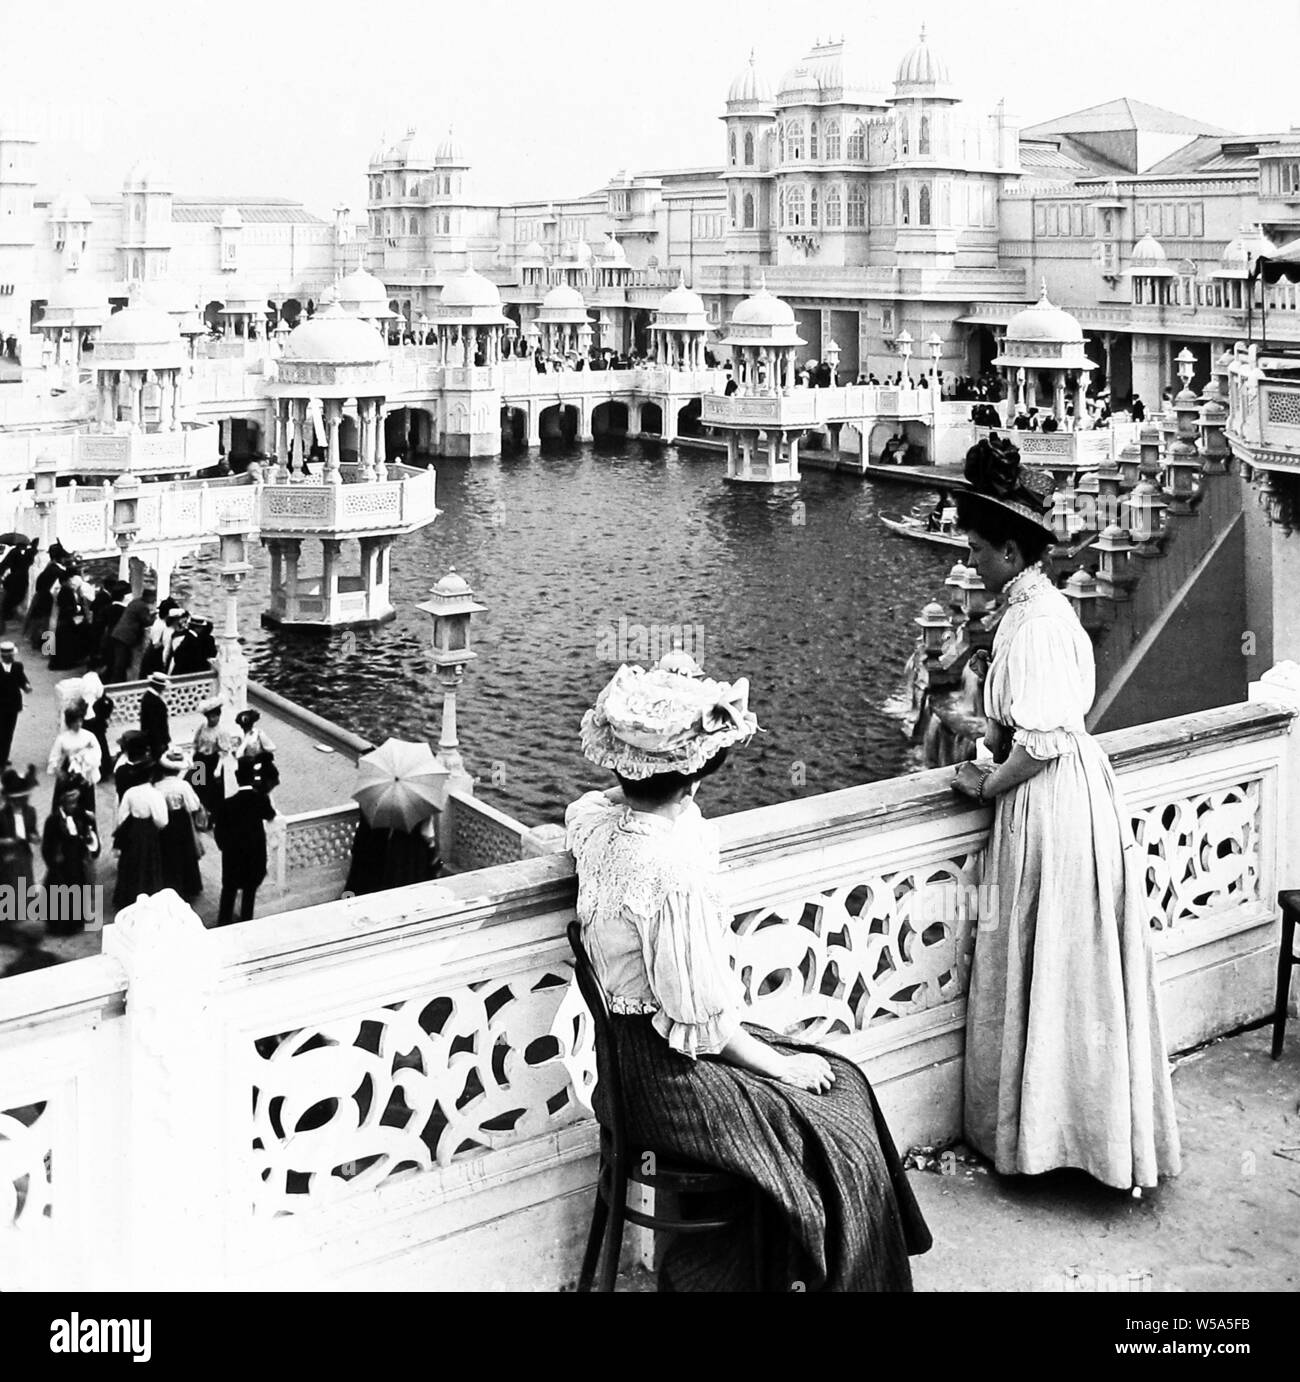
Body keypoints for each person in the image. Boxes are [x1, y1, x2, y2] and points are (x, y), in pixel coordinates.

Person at [565, 659, 931, 1291]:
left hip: (626, 1056)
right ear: (693, 773)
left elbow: (594, 804)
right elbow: (702, 1025)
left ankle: (765, 1271)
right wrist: (782, 1067)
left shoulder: (597, 825)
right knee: (835, 1111)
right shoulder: (668, 870)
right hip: (663, 1074)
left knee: (838, 1086)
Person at [950, 435, 1181, 1191]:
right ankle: (1048, 1130)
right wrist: (981, 734)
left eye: (981, 549)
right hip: (1048, 796)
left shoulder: (1041, 621)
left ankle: (1072, 1137)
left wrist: (989, 785)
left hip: (1051, 801)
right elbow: (1020, 719)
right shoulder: (1026, 611)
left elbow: (1044, 739)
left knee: (1060, 962)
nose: (971, 562)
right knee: (1050, 961)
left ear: (1014, 553)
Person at [214, 757, 277, 925]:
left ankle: (223, 922)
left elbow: (218, 832)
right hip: (254, 855)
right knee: (250, 892)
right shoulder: (261, 799)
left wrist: (224, 848)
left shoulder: (226, 804)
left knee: (228, 890)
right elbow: (271, 815)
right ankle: (246, 921)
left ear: (236, 776)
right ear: (253, 777)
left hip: (232, 855)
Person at [42, 776, 99, 935]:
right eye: (69, 802)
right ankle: (58, 925)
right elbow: (47, 845)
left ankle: (75, 922)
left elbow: (90, 836)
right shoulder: (53, 821)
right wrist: (53, 859)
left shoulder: (82, 817)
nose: (73, 806)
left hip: (76, 860)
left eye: (75, 802)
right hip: (61, 864)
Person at [113, 770, 167, 912]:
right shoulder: (155, 794)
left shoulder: (130, 792)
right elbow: (162, 820)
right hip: (148, 830)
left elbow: (122, 815)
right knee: (149, 862)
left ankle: (127, 896)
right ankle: (148, 895)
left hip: (132, 828)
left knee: (130, 862)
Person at [155, 749, 204, 901]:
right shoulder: (183, 785)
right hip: (181, 821)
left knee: (167, 854)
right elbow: (194, 805)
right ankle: (189, 886)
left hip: (165, 822)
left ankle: (169, 886)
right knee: (185, 853)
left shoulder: (157, 786)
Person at [47, 703, 101, 817]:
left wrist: (89, 764)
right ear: (69, 722)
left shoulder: (89, 736)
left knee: (86, 804)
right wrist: (58, 771)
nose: (78, 724)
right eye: (75, 721)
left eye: (80, 720)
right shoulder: (62, 738)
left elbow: (97, 753)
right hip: (68, 772)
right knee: (65, 803)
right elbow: (54, 757)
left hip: (85, 772)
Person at [0, 765, 39, 913]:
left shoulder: (30, 812)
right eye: (15, 801)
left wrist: (34, 837)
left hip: (23, 854)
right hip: (6, 857)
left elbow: (32, 831)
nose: (19, 804)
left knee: (26, 883)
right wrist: (5, 841)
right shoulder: (2, 816)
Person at [25, 540, 69, 652]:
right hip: (50, 600)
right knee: (49, 625)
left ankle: (39, 644)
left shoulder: (49, 568)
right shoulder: (58, 571)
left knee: (40, 623)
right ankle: (48, 648)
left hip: (41, 597)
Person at [106, 587, 156, 683]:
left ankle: (118, 681)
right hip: (125, 637)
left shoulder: (135, 602)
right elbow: (146, 621)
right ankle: (116, 683)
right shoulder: (142, 606)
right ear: (149, 597)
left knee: (121, 662)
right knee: (120, 663)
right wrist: (154, 615)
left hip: (119, 634)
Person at [189, 696, 225, 820]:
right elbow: (195, 743)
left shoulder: (221, 731)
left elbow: (223, 752)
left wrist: (218, 769)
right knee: (197, 787)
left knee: (213, 792)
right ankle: (198, 815)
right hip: (200, 761)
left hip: (212, 762)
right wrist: (191, 755)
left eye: (214, 716)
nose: (212, 719)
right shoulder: (203, 727)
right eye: (210, 716)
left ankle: (213, 818)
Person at [49, 569, 90, 671]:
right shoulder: (66, 591)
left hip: (64, 619)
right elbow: (69, 607)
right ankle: (65, 663)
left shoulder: (64, 590)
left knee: (63, 644)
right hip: (68, 620)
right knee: (66, 644)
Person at [0, 638, 31, 765]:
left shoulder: (18, 666)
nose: (11, 657)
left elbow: (22, 680)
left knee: (8, 733)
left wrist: (26, 686)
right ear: (3, 656)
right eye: (9, 656)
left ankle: (4, 757)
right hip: (0, 706)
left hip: (13, 705)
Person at [0, 540, 36, 630]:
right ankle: (8, 613)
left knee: (13, 596)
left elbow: (5, 564)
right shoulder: (23, 552)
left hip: (17, 578)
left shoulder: (18, 552)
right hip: (20, 578)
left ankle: (8, 613)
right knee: (15, 596)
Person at [139, 671, 170, 761]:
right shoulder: (152, 701)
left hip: (155, 738)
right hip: (156, 740)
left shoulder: (149, 697)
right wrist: (160, 742)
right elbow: (154, 724)